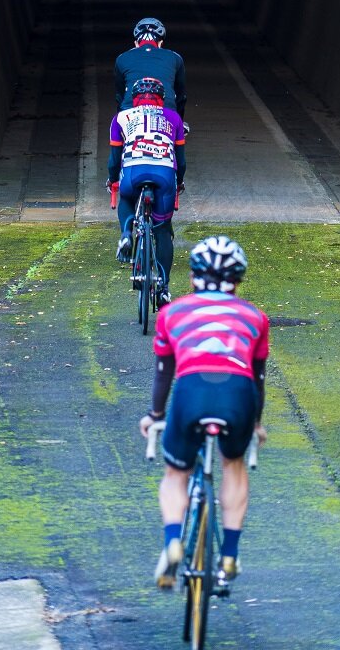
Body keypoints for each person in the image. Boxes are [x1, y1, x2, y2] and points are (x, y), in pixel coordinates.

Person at [139, 236, 269, 590]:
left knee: (175, 473)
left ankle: (173, 542)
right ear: (238, 280)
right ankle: (229, 555)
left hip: (191, 391)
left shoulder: (171, 314)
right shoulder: (256, 318)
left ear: (193, 276)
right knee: (233, 464)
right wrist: (256, 424)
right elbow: (258, 377)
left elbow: (164, 372)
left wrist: (155, 415)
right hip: (238, 393)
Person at [107, 76, 185, 303]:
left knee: (126, 197)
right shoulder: (174, 118)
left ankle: (126, 234)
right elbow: (181, 160)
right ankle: (163, 288)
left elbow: (114, 159)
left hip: (133, 171)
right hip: (164, 174)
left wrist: (113, 180)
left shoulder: (121, 118)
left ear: (134, 98)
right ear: (162, 98)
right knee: (162, 230)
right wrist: (179, 181)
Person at [115, 17, 186, 118]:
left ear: (136, 43)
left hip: (130, 112)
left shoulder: (122, 58)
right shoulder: (175, 58)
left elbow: (119, 96)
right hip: (166, 112)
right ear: (160, 43)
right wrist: (179, 120)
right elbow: (181, 97)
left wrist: (120, 118)